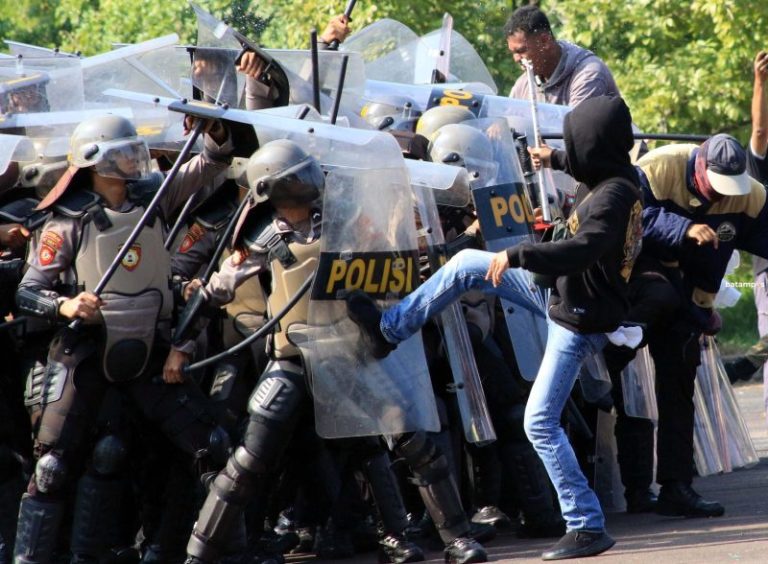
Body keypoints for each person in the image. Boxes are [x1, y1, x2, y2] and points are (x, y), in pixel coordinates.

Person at [347, 95, 642, 561]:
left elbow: (582, 248)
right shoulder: (620, 175)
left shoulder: (609, 199)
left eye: (574, 145)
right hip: (564, 294)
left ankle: (586, 525)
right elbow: (586, 175)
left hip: (579, 318)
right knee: (466, 263)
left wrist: (518, 253)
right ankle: (390, 328)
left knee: (539, 422)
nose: (571, 152)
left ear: (594, 147)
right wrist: (555, 158)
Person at [13, 114, 234, 563]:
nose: (134, 158)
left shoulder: (153, 199)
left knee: (212, 446)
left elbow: (211, 162)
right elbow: (28, 291)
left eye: (133, 149)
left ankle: (209, 551)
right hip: (86, 351)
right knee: (52, 469)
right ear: (94, 162)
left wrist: (216, 131)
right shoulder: (66, 221)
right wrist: (66, 305)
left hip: (150, 349)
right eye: (121, 152)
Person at [629, 132, 768, 518]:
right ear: (700, 167)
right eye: (716, 186)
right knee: (619, 386)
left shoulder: (750, 196)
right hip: (638, 288)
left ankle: (675, 487)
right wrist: (682, 227)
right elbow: (627, 216)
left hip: (689, 303)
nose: (723, 197)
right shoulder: (656, 169)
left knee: (678, 387)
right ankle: (632, 489)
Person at [505, 5, 619, 107]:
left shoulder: (588, 74)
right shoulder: (525, 83)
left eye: (521, 50)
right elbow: (506, 120)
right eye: (513, 53)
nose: (516, 59)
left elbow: (577, 129)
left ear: (544, 41)